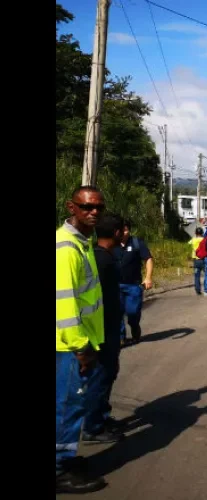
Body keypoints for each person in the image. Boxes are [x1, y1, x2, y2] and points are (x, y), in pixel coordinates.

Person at [56, 186, 108, 493]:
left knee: (70, 403)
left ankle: (65, 457)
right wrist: (80, 347)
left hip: (79, 341)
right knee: (67, 405)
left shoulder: (82, 242)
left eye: (98, 207)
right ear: (71, 207)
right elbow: (63, 304)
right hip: (69, 345)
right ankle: (60, 468)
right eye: (86, 207)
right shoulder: (66, 248)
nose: (94, 212)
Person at [82, 213, 127, 445]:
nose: (126, 234)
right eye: (124, 230)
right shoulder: (103, 260)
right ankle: (93, 427)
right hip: (100, 330)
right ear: (117, 233)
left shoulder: (100, 256)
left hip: (106, 327)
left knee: (108, 375)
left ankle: (102, 417)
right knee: (100, 377)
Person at [113, 219, 154, 345]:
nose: (123, 233)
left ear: (129, 230)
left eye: (125, 230)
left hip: (133, 285)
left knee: (132, 311)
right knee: (117, 312)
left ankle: (135, 326)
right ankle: (121, 337)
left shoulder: (136, 243)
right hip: (115, 285)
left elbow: (148, 259)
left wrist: (148, 277)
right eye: (121, 230)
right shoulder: (111, 244)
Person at [190, 227, 206, 296]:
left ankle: (198, 290)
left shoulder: (193, 240)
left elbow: (189, 243)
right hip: (203, 259)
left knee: (197, 276)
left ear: (196, 233)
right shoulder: (204, 239)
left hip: (196, 259)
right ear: (202, 233)